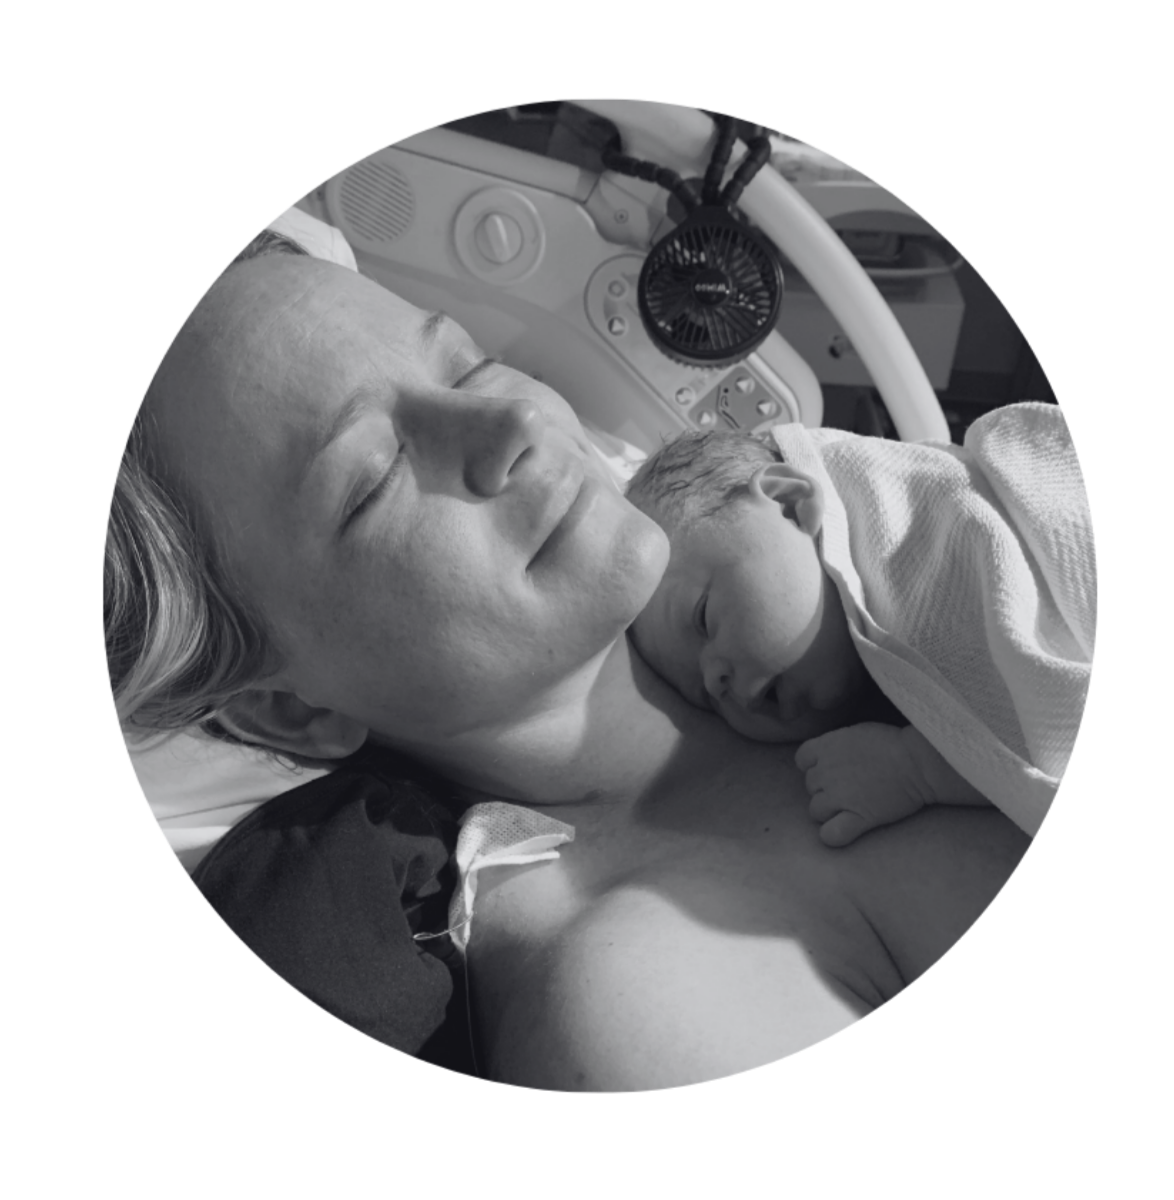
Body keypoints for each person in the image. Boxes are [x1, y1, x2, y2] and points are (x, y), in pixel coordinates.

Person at [106, 232, 1037, 1093]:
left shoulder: (828, 586)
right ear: (293, 712)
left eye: (469, 365)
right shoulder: (642, 993)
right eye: (376, 478)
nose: (512, 418)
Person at [624, 420, 1096, 850]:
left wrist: (919, 768)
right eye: (705, 698)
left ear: (789, 503)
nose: (715, 680)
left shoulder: (933, 535)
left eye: (703, 618)